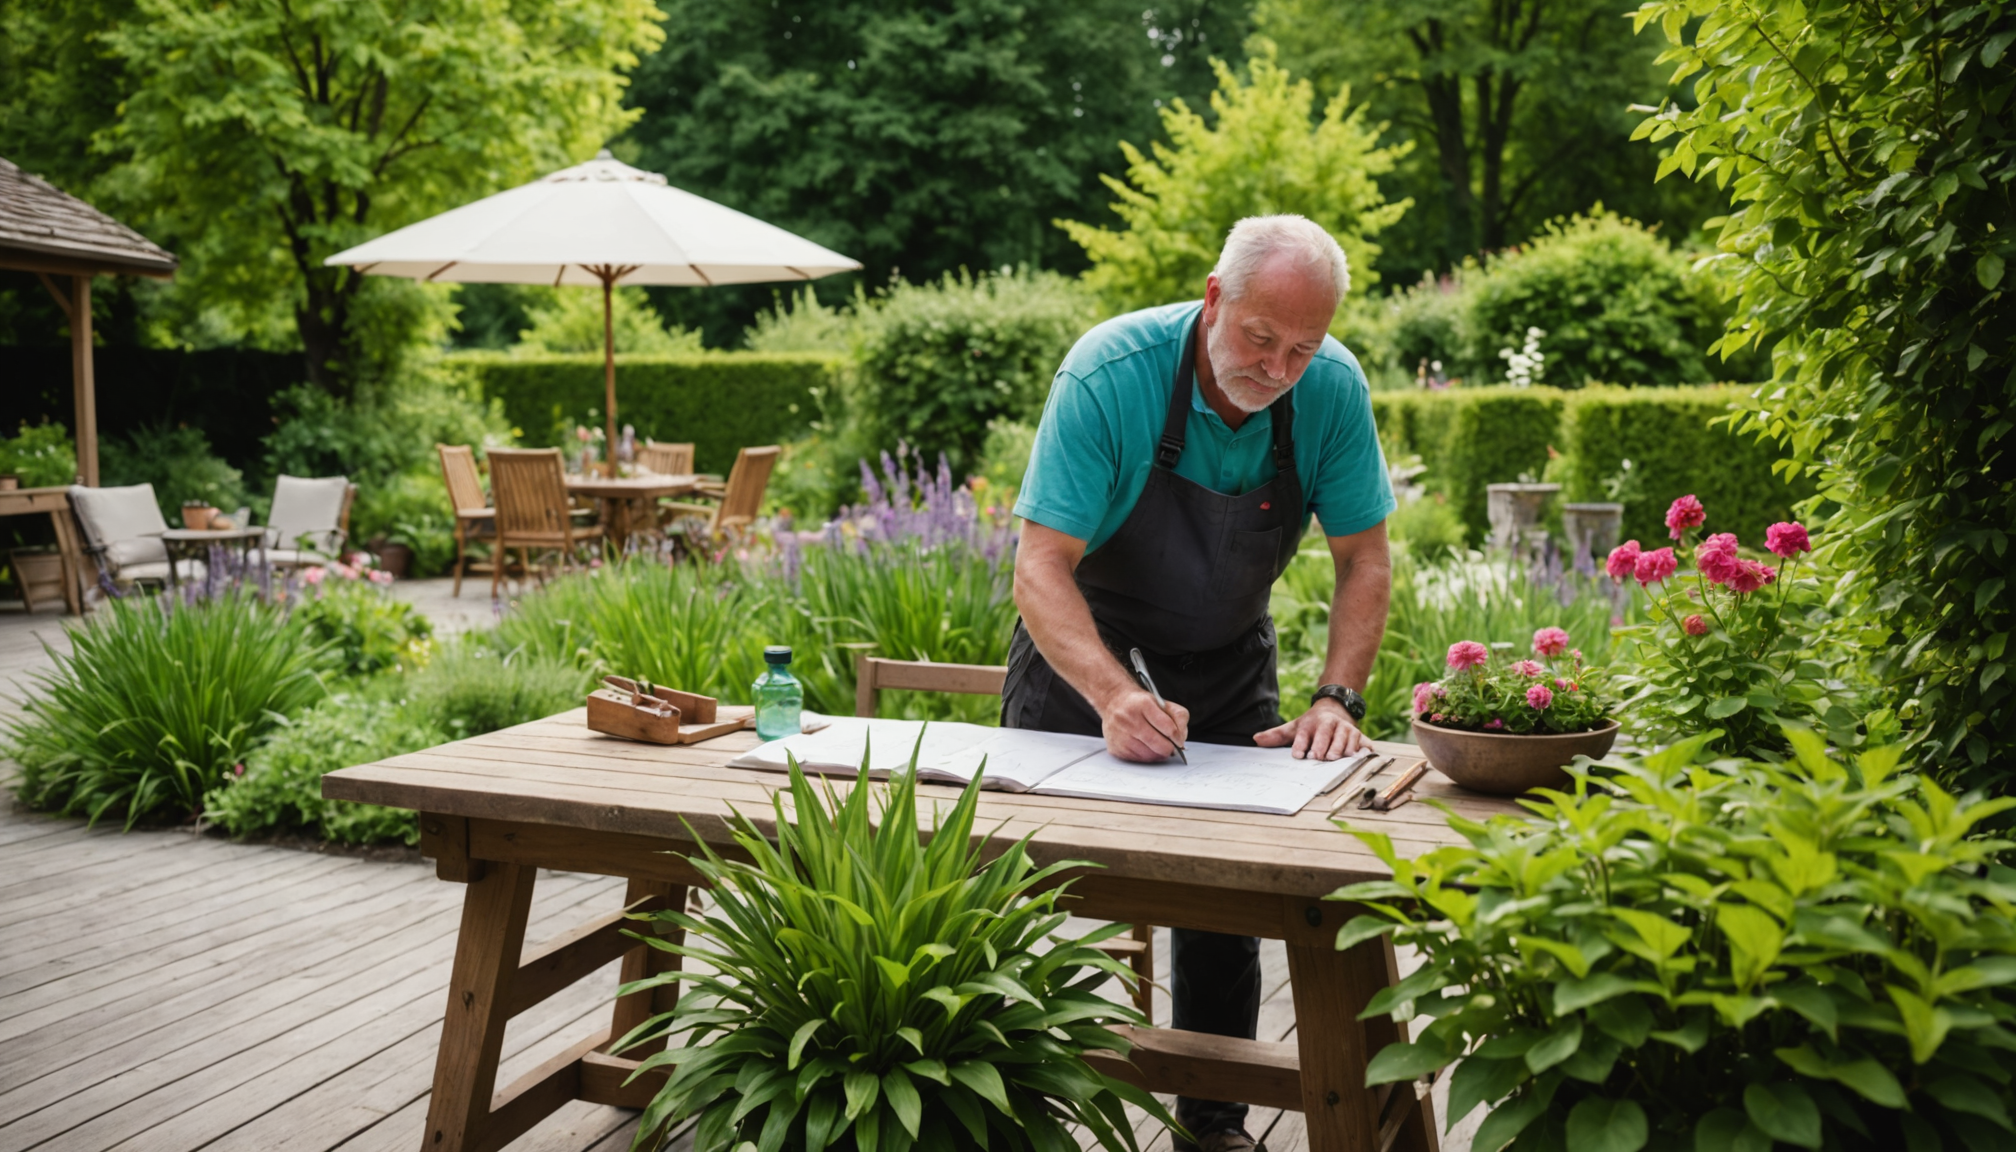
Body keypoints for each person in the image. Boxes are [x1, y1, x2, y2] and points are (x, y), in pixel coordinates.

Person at [1003, 214, 1394, 1152]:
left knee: (1231, 900)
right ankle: (1009, 1103)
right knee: (1021, 885)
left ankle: (1212, 1125)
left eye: (1303, 348)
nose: (1278, 369)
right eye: (1262, 338)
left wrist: (1336, 699)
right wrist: (1112, 695)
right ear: (1215, 297)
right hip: (1081, 662)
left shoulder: (1331, 391)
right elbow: (1040, 564)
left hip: (1225, 665)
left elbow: (1365, 561)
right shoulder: (1110, 372)